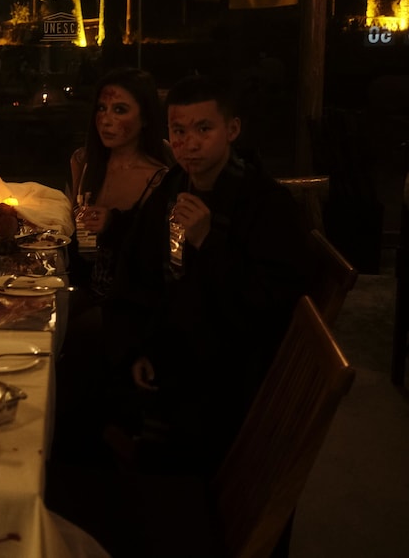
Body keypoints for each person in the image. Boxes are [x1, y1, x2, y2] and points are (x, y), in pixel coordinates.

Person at [112, 74, 306, 477]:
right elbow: (139, 272)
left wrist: (207, 241)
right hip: (172, 343)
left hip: (228, 373)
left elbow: (268, 305)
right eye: (179, 131)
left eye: (204, 129)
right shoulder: (173, 186)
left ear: (232, 129)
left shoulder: (266, 204)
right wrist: (140, 348)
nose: (190, 143)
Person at [68, 67, 171, 312]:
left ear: (145, 118)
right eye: (102, 108)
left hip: (131, 306)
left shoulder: (159, 179)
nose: (106, 120)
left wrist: (113, 225)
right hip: (81, 289)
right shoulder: (84, 162)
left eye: (120, 110)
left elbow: (156, 260)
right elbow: (75, 235)